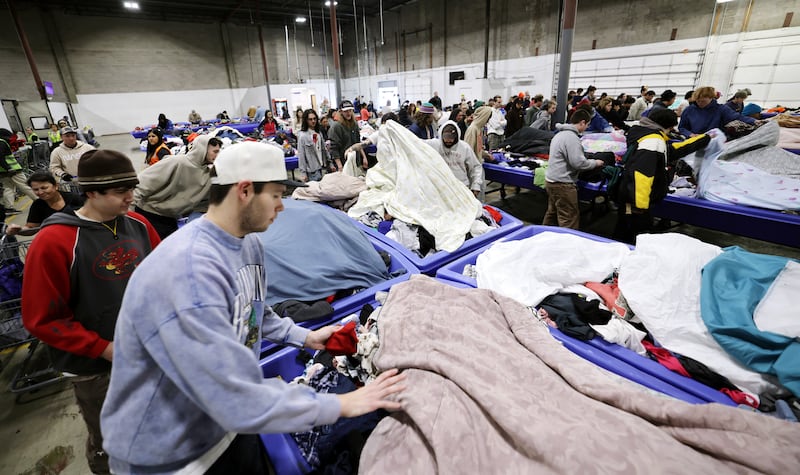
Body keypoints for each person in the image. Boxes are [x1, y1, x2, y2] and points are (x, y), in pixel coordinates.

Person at [100, 141, 405, 474]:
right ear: (244, 190)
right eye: (275, 195)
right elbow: (229, 398)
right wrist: (342, 404)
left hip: (226, 428)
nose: (281, 206)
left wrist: (306, 337)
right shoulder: (188, 272)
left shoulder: (248, 244)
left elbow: (255, 310)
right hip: (171, 454)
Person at [22, 150, 160, 474]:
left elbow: (161, 277)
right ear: (91, 192)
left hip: (145, 352)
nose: (131, 197)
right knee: (111, 440)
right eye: (120, 192)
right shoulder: (55, 240)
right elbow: (43, 319)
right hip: (95, 367)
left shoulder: (138, 224)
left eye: (132, 188)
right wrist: (105, 349)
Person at [613, 109, 710, 244]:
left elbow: (671, 151)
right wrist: (640, 206)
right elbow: (642, 175)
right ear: (668, 126)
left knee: (625, 226)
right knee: (635, 233)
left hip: (630, 194)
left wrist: (703, 139)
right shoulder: (653, 141)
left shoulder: (645, 134)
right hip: (636, 199)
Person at [134, 136, 222, 239]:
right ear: (202, 150)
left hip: (169, 218)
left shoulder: (208, 174)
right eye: (215, 151)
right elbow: (142, 183)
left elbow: (204, 204)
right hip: (148, 213)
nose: (218, 155)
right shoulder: (176, 162)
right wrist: (128, 216)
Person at [542, 109, 606, 230]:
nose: (587, 128)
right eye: (587, 125)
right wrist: (595, 163)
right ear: (582, 122)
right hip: (563, 184)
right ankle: (567, 245)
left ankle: (543, 236)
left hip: (551, 181)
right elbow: (578, 163)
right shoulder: (571, 138)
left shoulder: (559, 134)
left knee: (553, 213)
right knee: (568, 217)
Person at [5, 170, 82, 236]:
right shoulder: (38, 205)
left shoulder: (73, 199)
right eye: (36, 190)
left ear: (56, 186)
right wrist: (18, 230)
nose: (40, 192)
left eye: (44, 188)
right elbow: (31, 227)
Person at [424, 121, 482, 197]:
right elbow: (414, 142)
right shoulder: (434, 144)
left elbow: (475, 167)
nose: (448, 141)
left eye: (451, 138)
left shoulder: (464, 147)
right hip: (441, 187)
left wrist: (476, 185)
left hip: (461, 187)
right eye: (446, 138)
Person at [678, 86, 759, 137]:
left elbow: (737, 117)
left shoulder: (721, 109)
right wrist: (690, 134)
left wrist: (754, 121)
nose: (700, 103)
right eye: (697, 101)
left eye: (703, 101)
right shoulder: (689, 110)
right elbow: (682, 127)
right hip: (694, 140)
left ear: (711, 98)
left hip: (713, 141)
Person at [0, 128, 38, 213]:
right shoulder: (2, 142)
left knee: (8, 188)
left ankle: (8, 208)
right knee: (25, 185)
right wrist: (8, 168)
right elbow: (1, 157)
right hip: (12, 170)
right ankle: (40, 201)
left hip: (2, 172)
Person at [297, 109, 330, 182]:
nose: (313, 121)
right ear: (306, 120)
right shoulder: (302, 136)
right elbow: (301, 155)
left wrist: (330, 163)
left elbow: (324, 149)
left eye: (314, 119)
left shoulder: (319, 133)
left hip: (322, 167)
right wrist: (303, 173)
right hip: (312, 171)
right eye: (310, 119)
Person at [328, 100, 361, 172]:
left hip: (355, 161)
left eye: (350, 110)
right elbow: (334, 149)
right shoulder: (336, 126)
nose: (348, 113)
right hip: (343, 163)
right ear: (341, 112)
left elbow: (358, 143)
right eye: (345, 111)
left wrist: (363, 157)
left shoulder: (354, 124)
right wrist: (340, 166)